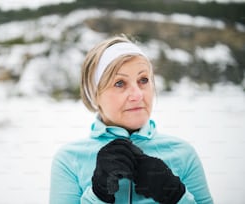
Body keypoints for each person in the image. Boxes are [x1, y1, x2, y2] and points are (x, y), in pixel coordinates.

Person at [49, 35, 213, 204]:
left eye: (143, 80)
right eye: (120, 83)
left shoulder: (183, 153)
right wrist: (98, 194)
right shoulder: (69, 160)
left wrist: (176, 196)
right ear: (95, 95)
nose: (137, 95)